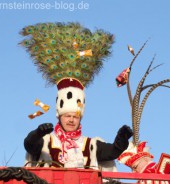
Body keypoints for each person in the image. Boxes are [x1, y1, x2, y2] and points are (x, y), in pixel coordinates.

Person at [20, 22, 133, 170]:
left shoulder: (89, 145)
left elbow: (112, 152)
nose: (72, 120)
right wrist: (37, 133)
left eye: (75, 116)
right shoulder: (47, 142)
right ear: (60, 116)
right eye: (68, 116)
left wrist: (121, 139)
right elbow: (30, 144)